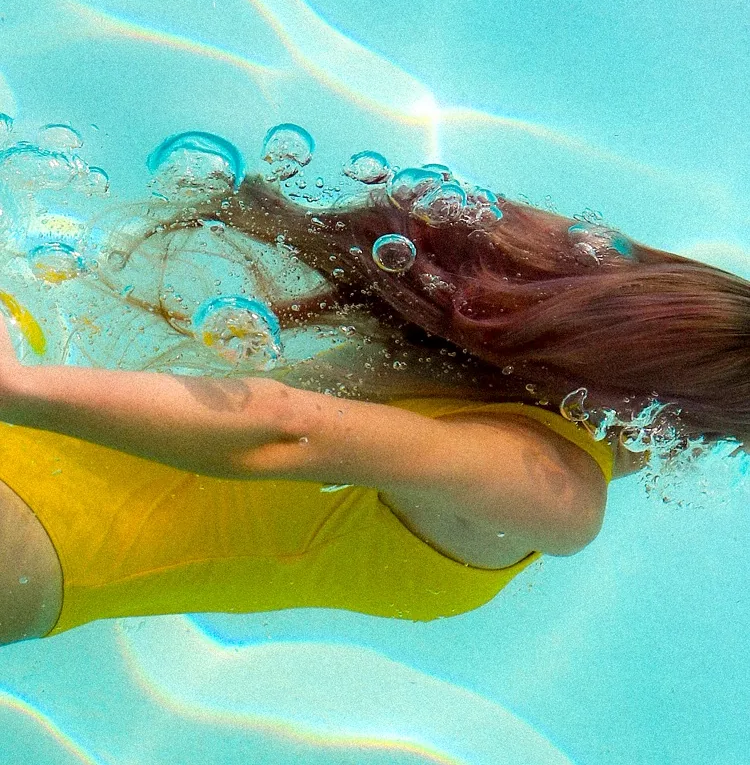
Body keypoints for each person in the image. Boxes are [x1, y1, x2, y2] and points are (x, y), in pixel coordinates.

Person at [0, 166, 747, 647]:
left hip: (35, 510)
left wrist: (18, 388)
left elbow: (287, 429)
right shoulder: (526, 438)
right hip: (46, 523)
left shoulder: (529, 443)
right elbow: (285, 426)